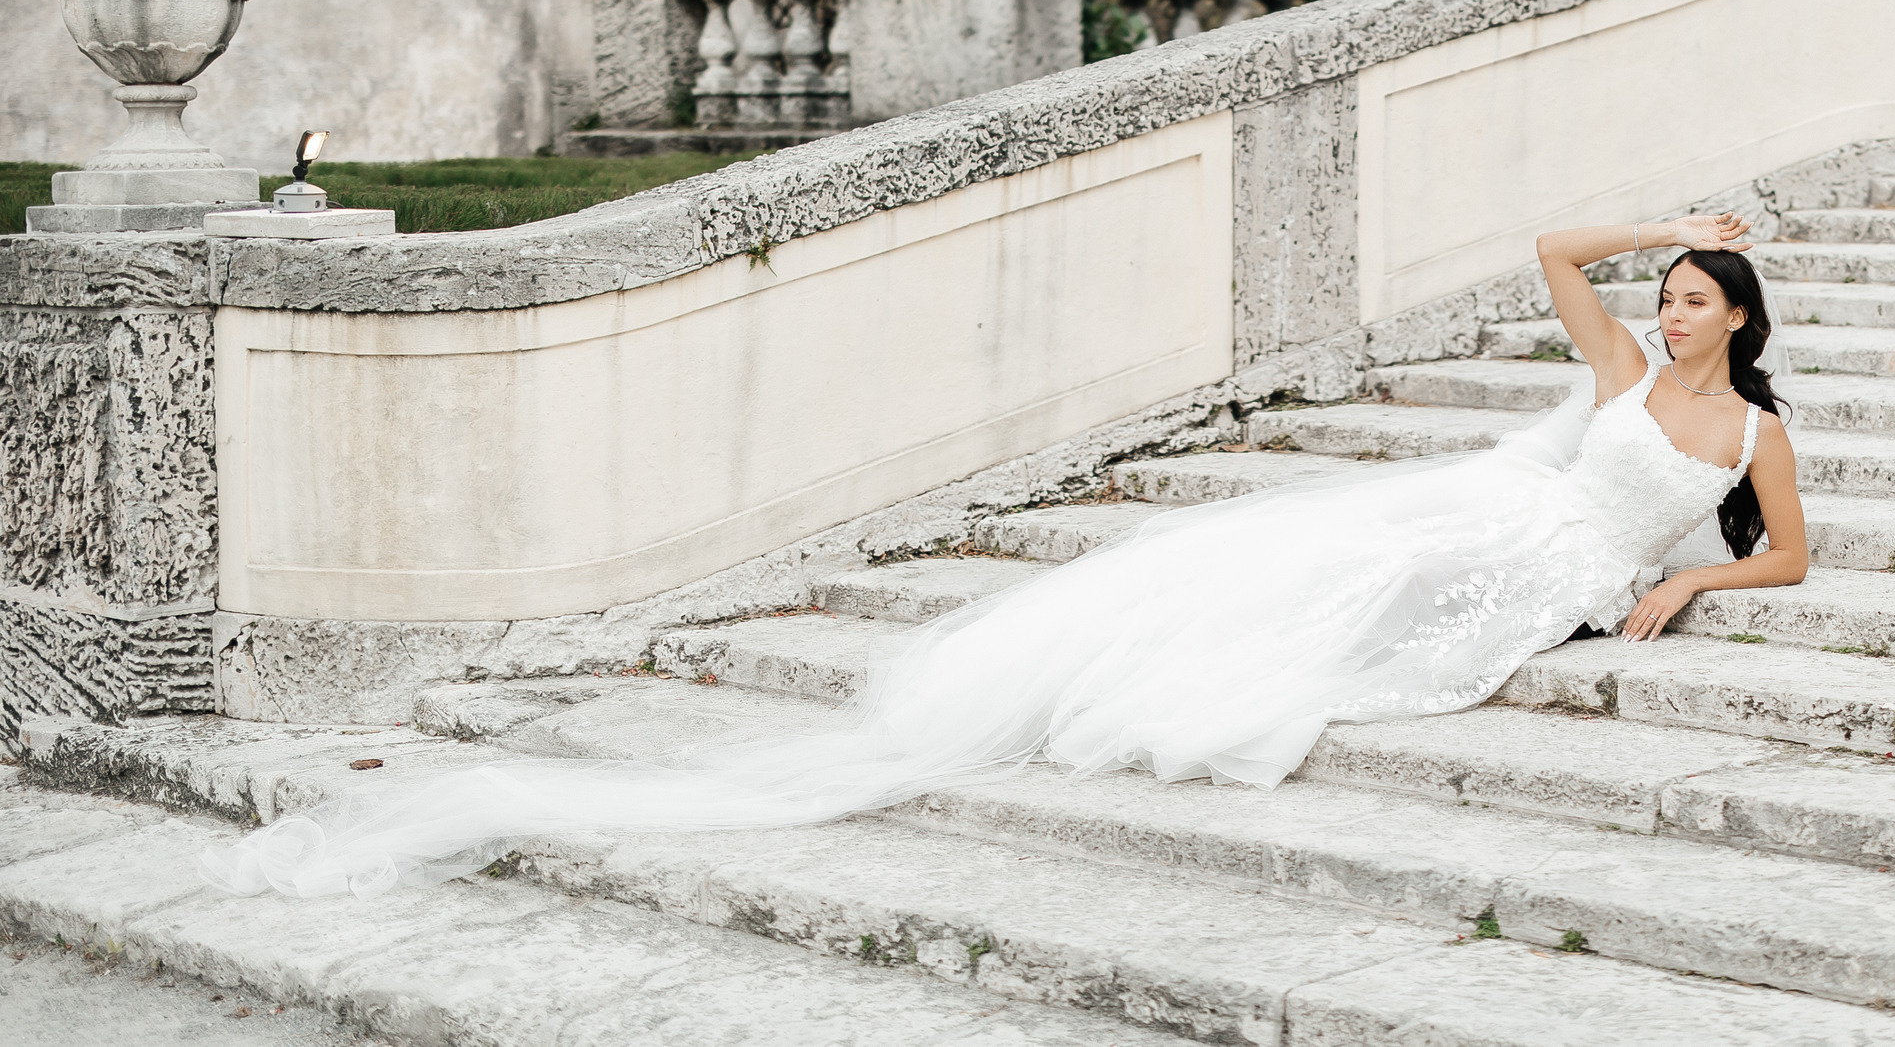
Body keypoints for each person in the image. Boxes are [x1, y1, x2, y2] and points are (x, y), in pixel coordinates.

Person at [204, 213, 1806, 899]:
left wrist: (1688, 577)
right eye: (1660, 291)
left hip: (1564, 571)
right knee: (1294, 575)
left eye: (1688, 296)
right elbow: (1548, 251)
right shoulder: (1609, 374)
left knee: (1369, 622)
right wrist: (1671, 219)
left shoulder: (1746, 435)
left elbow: (1787, 557)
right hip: (1489, 516)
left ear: (1734, 320)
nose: (1665, 310)